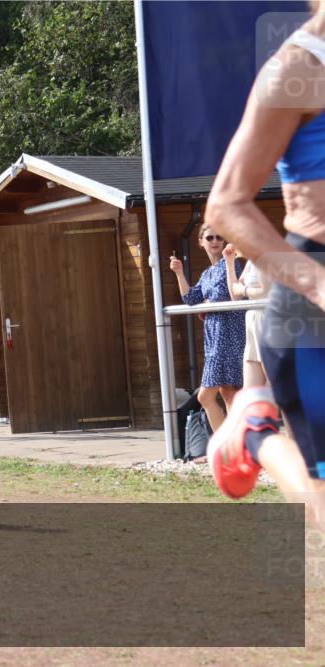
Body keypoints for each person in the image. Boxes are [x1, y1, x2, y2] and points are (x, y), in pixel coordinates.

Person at [203, 1, 325, 523]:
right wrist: (319, 285)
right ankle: (255, 435)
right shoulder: (296, 70)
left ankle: (255, 430)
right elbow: (226, 205)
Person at [168, 224, 246, 431]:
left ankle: (226, 442)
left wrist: (206, 305)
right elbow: (191, 298)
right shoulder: (207, 273)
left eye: (219, 237)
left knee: (206, 396)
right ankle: (236, 441)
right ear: (201, 242)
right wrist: (179, 272)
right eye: (210, 238)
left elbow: (224, 296)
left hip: (228, 334)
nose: (215, 241)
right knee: (228, 392)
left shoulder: (230, 264)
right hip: (214, 336)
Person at [224, 243, 272, 388]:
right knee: (250, 392)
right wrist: (229, 263)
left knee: (277, 387)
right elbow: (235, 296)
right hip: (252, 323)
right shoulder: (251, 260)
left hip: (267, 322)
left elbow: (267, 291)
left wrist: (243, 290)